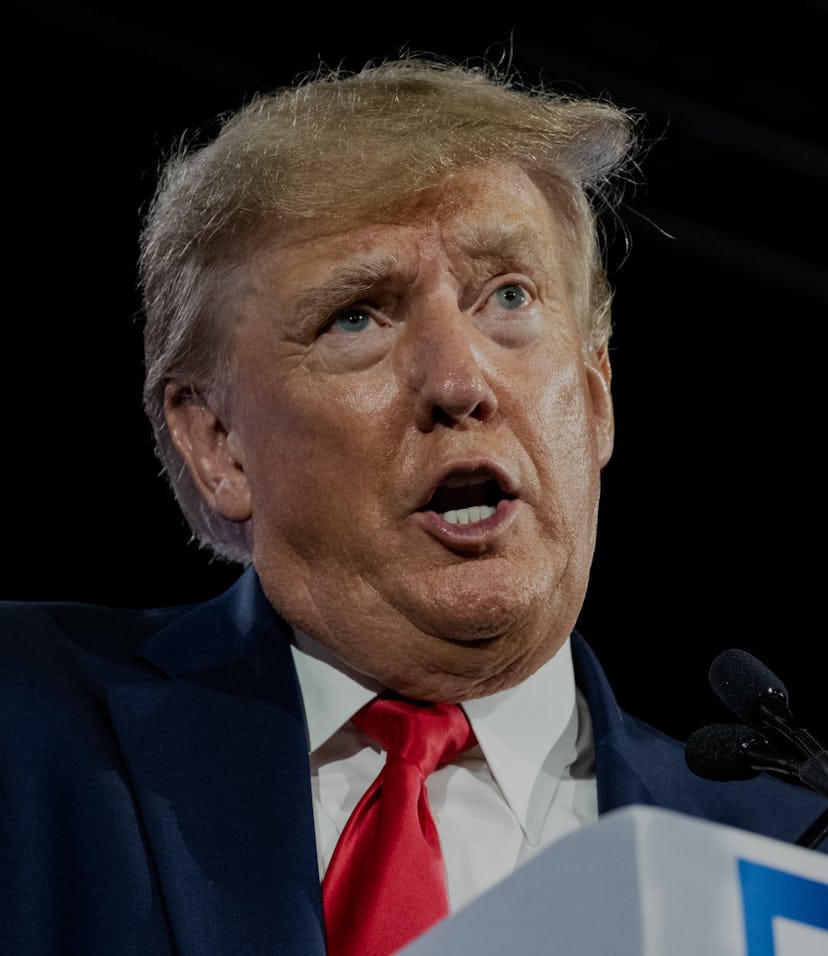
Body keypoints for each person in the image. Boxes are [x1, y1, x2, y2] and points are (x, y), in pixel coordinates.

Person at [2, 54, 825, 956]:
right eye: (358, 316)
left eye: (508, 296)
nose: (458, 379)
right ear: (218, 445)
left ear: (595, 397)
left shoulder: (789, 854)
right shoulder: (28, 725)